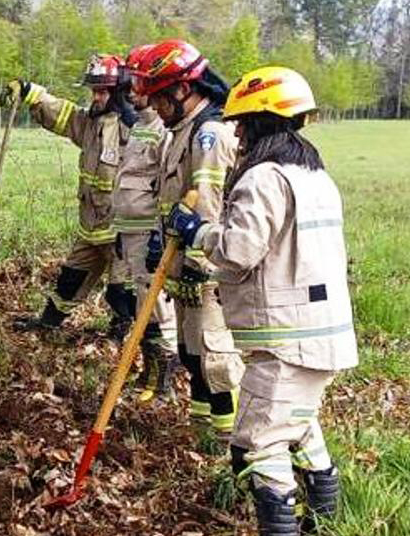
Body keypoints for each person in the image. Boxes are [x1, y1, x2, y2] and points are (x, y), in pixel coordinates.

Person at [167, 66, 357, 536]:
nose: (237, 133)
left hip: (285, 342)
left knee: (258, 444)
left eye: (241, 124)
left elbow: (238, 251)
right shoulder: (316, 177)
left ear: (257, 122)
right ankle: (324, 524)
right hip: (321, 334)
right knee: (300, 422)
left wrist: (198, 231)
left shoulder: (264, 179)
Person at [136, 39, 245, 436]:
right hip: (180, 261)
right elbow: (171, 198)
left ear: (183, 90)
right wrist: (156, 239)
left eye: (160, 100)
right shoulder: (179, 130)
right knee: (189, 351)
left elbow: (210, 205)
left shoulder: (209, 135)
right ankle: (201, 430)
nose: (155, 109)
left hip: (206, 270)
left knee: (214, 359)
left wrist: (199, 264)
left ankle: (230, 441)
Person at [5, 54, 138, 337]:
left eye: (102, 91)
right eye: (94, 90)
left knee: (122, 293)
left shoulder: (134, 129)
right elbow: (62, 114)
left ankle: (129, 336)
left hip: (122, 233)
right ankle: (48, 324)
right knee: (69, 279)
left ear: (118, 92)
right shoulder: (91, 122)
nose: (96, 97)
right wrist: (32, 93)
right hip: (91, 227)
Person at [111, 44, 178, 400]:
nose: (130, 93)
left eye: (137, 86)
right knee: (141, 304)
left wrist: (157, 235)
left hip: (148, 232)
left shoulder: (164, 131)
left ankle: (163, 379)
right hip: (130, 230)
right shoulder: (140, 126)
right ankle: (149, 374)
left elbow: (167, 186)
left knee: (156, 307)